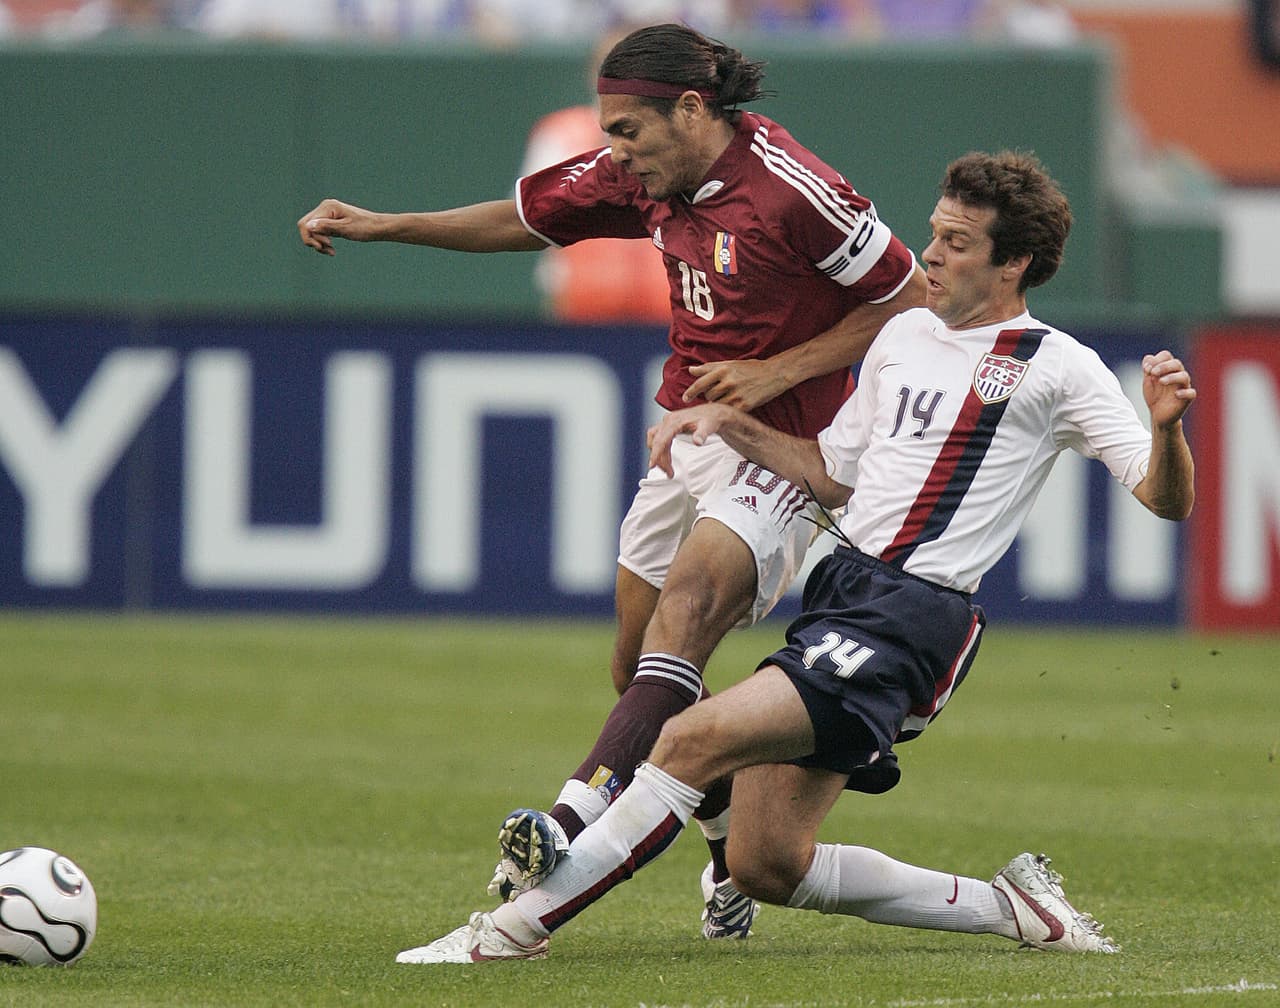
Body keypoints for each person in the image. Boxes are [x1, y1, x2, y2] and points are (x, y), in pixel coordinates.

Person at [394, 149, 1196, 963]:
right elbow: (829, 476)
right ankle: (1013, 909)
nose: (931, 253)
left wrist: (1165, 430)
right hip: (844, 594)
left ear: (1014, 261)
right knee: (766, 862)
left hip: (914, 616)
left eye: (957, 242)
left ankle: (509, 932)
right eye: (934, 233)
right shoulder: (903, 336)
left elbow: (1163, 497)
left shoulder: (1057, 365)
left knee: (687, 739)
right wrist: (731, 424)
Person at [299, 21, 925, 939]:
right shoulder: (639, 173)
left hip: (795, 439)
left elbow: (907, 301)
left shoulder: (799, 192)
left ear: (691, 109)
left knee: (690, 608)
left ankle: (568, 820)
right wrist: (385, 225)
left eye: (627, 129)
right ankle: (726, 860)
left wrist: (776, 373)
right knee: (641, 668)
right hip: (690, 426)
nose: (612, 150)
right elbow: (524, 218)